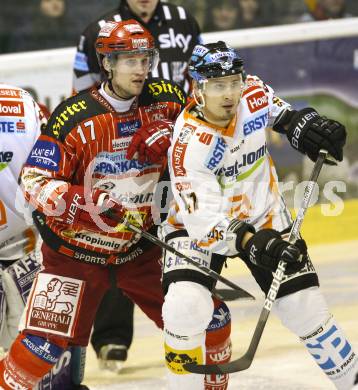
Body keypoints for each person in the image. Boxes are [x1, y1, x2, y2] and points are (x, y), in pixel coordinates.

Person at [0, 20, 230, 390]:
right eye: (129, 61)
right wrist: (84, 203)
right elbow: (33, 183)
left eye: (146, 59)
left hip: (142, 250)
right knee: (42, 347)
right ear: (107, 63)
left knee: (212, 320)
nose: (141, 69)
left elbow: (214, 140)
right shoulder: (73, 116)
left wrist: (174, 139)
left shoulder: (168, 101)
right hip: (73, 254)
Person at [160, 41, 358, 389]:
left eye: (233, 82)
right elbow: (202, 221)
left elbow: (285, 117)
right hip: (196, 228)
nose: (230, 93)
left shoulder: (252, 91)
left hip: (262, 212)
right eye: (218, 86)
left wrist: (310, 129)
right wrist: (252, 242)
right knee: (184, 307)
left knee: (305, 309)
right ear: (197, 89)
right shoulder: (188, 143)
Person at [72, 0, 202, 371]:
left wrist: (179, 133)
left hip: (173, 140)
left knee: (182, 231)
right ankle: (112, 337)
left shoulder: (184, 20)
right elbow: (80, 93)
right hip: (120, 150)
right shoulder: (97, 29)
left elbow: (199, 86)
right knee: (119, 237)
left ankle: (190, 319)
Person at [0, 84, 89, 389]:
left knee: (53, 360)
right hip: (28, 246)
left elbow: (60, 171)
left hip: (32, 248)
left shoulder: (20, 105)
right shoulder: (20, 102)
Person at [73, 0, 202, 94]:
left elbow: (202, 69)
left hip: (179, 115)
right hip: (125, 123)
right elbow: (81, 90)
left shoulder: (183, 19)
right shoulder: (99, 31)